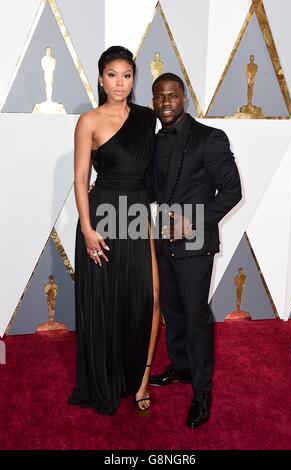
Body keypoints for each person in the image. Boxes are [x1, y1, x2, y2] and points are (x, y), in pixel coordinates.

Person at [68, 46, 160, 415]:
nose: (120, 82)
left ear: (134, 78)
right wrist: (88, 229)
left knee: (149, 297)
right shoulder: (89, 120)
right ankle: (105, 379)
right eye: (112, 74)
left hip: (136, 214)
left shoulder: (148, 118)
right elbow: (79, 178)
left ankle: (140, 379)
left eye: (127, 75)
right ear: (101, 78)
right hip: (102, 218)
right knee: (105, 305)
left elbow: (161, 167)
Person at [149, 73, 242, 428]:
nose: (166, 103)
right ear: (154, 102)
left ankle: (202, 392)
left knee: (195, 317)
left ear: (184, 99)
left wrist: (192, 222)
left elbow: (231, 191)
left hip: (196, 245)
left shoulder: (210, 138)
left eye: (172, 96)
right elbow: (153, 190)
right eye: (159, 97)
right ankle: (182, 368)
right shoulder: (154, 141)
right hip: (164, 243)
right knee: (171, 311)